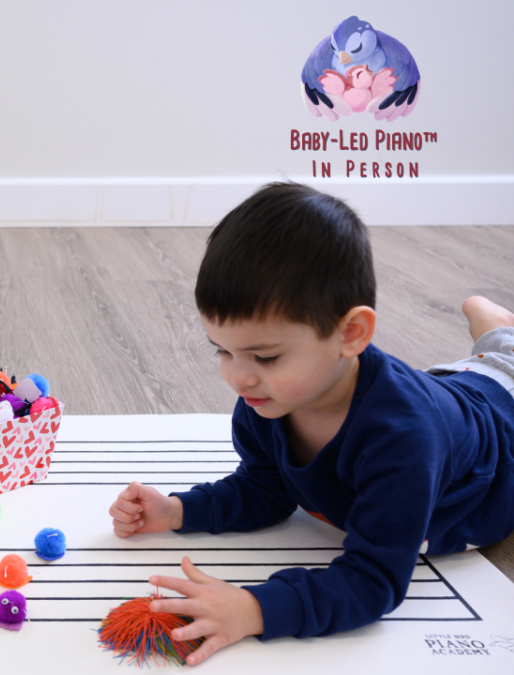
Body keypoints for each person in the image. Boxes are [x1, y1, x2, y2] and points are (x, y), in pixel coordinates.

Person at [108, 182, 514, 664]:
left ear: (350, 334)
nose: (237, 375)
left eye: (265, 355)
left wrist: (256, 607)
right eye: (223, 350)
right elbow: (267, 487)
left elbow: (373, 580)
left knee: (500, 364)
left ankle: (497, 331)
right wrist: (179, 510)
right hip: (447, 393)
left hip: (498, 422)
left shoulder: (402, 439)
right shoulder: (267, 398)